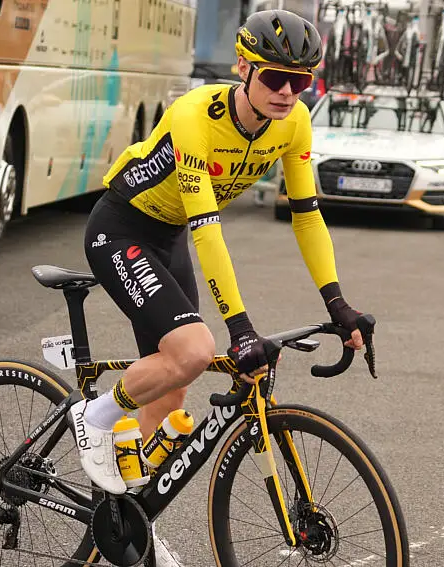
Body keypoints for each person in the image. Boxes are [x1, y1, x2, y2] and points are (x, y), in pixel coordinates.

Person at [73, 8, 365, 561]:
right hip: (122, 228)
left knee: (174, 388)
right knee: (194, 350)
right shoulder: (194, 117)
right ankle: (97, 416)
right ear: (243, 68)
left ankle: (131, 527)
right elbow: (208, 229)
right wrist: (241, 327)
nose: (287, 92)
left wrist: (338, 302)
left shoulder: (295, 123)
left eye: (300, 81)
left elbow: (306, 215)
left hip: (169, 237)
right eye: (274, 77)